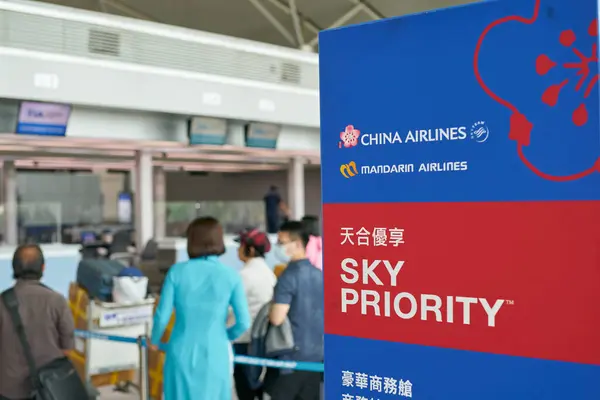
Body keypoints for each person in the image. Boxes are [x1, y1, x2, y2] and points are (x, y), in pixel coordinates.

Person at [150, 217, 251, 400]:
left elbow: (162, 316)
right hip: (216, 352)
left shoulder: (176, 272)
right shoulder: (231, 276)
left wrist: (155, 341)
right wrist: (224, 335)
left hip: (180, 351)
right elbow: (244, 321)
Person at [0, 245, 75, 400]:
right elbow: (68, 347)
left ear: (14, 268)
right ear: (43, 267)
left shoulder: (1, 302)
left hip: (9, 390)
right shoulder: (57, 301)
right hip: (48, 388)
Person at [268, 221, 324, 400]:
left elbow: (277, 318)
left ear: (298, 244)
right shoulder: (320, 274)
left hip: (292, 357)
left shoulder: (288, 277)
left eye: (281, 242)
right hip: (317, 356)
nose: (278, 247)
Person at [232, 228, 277, 400]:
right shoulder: (269, 273)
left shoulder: (244, 275)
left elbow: (230, 308)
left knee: (245, 389)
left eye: (240, 246)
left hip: (244, 339)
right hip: (262, 339)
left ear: (250, 250)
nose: (237, 250)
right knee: (258, 386)